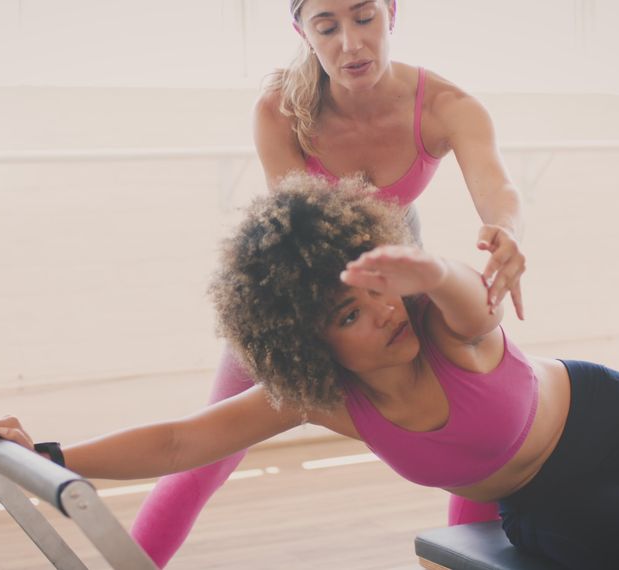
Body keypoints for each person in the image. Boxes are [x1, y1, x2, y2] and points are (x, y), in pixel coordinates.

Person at [0, 174, 619, 570]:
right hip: (547, 494)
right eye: (349, 314)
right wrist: (55, 453)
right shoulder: (322, 398)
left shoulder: (443, 326)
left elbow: (474, 302)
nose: (381, 315)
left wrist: (425, 271)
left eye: (379, 292)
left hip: (615, 419)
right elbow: (184, 437)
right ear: (311, 347)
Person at [132, 0, 525, 563]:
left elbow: (497, 185)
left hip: (397, 273)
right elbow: (299, 231)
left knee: (481, 429)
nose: (350, 42)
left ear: (392, 14)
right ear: (302, 31)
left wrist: (506, 230)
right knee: (209, 448)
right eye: (327, 26)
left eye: (365, 18)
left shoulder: (447, 106)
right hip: (309, 285)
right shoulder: (280, 109)